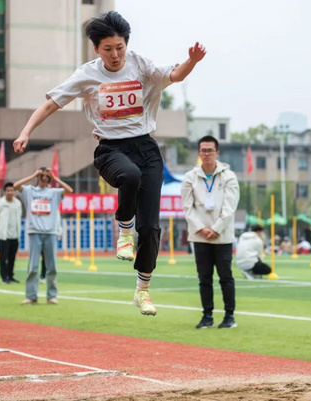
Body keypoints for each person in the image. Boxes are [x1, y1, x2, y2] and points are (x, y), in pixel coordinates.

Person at [13, 11, 206, 316]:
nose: (115, 55)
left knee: (152, 227)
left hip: (146, 147)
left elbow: (174, 75)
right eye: (108, 49)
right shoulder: (87, 75)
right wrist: (25, 132)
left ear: (126, 44)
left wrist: (192, 61)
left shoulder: (140, 64)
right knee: (129, 177)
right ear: (96, 49)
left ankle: (143, 290)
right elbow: (51, 103)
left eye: (120, 48)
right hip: (110, 150)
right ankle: (124, 233)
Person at [182, 136, 240, 329]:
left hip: (222, 236)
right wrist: (202, 228)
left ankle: (229, 316)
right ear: (198, 153)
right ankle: (207, 316)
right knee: (204, 278)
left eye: (210, 150)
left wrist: (215, 229)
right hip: (200, 236)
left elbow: (230, 208)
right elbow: (187, 208)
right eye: (203, 150)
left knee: (226, 277)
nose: (206, 154)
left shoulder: (228, 176)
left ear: (217, 153)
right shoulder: (190, 177)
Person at [14, 167, 73, 305]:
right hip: (34, 232)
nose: (44, 178)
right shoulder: (29, 191)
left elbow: (69, 190)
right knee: (33, 266)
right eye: (42, 175)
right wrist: (34, 174)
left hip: (50, 233)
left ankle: (51, 295)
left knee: (51, 266)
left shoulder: (54, 192)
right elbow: (16, 185)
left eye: (47, 176)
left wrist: (55, 177)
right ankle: (31, 296)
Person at [0, 182, 23, 284]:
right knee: (3, 257)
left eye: (12, 190)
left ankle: (10, 276)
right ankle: (4, 277)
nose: (10, 192)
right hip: (3, 235)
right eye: (8, 191)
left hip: (15, 234)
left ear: (15, 192)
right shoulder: (0, 203)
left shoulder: (18, 203)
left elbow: (20, 215)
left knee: (12, 257)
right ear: (4, 192)